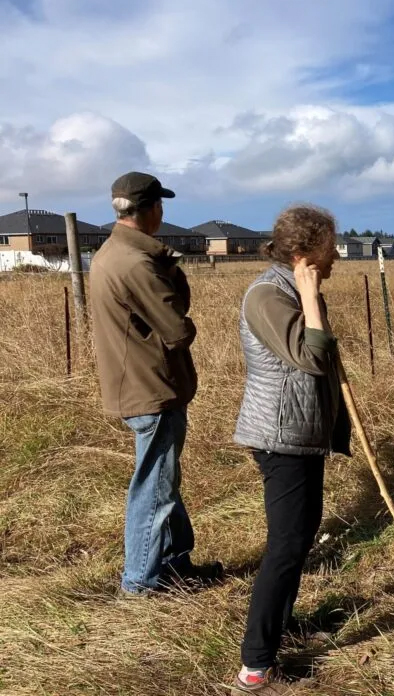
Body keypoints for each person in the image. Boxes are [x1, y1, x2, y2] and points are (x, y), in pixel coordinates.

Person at [232, 205, 351, 694]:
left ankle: (280, 629)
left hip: (301, 435)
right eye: (330, 247)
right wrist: (309, 297)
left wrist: (310, 294)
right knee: (285, 546)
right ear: (304, 252)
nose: (336, 256)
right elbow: (312, 356)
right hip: (280, 437)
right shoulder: (268, 295)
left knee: (299, 538)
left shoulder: (292, 290)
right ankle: (255, 667)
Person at [91, 172, 221, 594]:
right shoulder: (138, 262)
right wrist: (175, 275)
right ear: (150, 209)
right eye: (160, 204)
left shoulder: (110, 253)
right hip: (152, 387)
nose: (163, 212)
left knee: (162, 480)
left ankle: (175, 563)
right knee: (154, 489)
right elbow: (178, 330)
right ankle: (140, 582)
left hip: (136, 383)